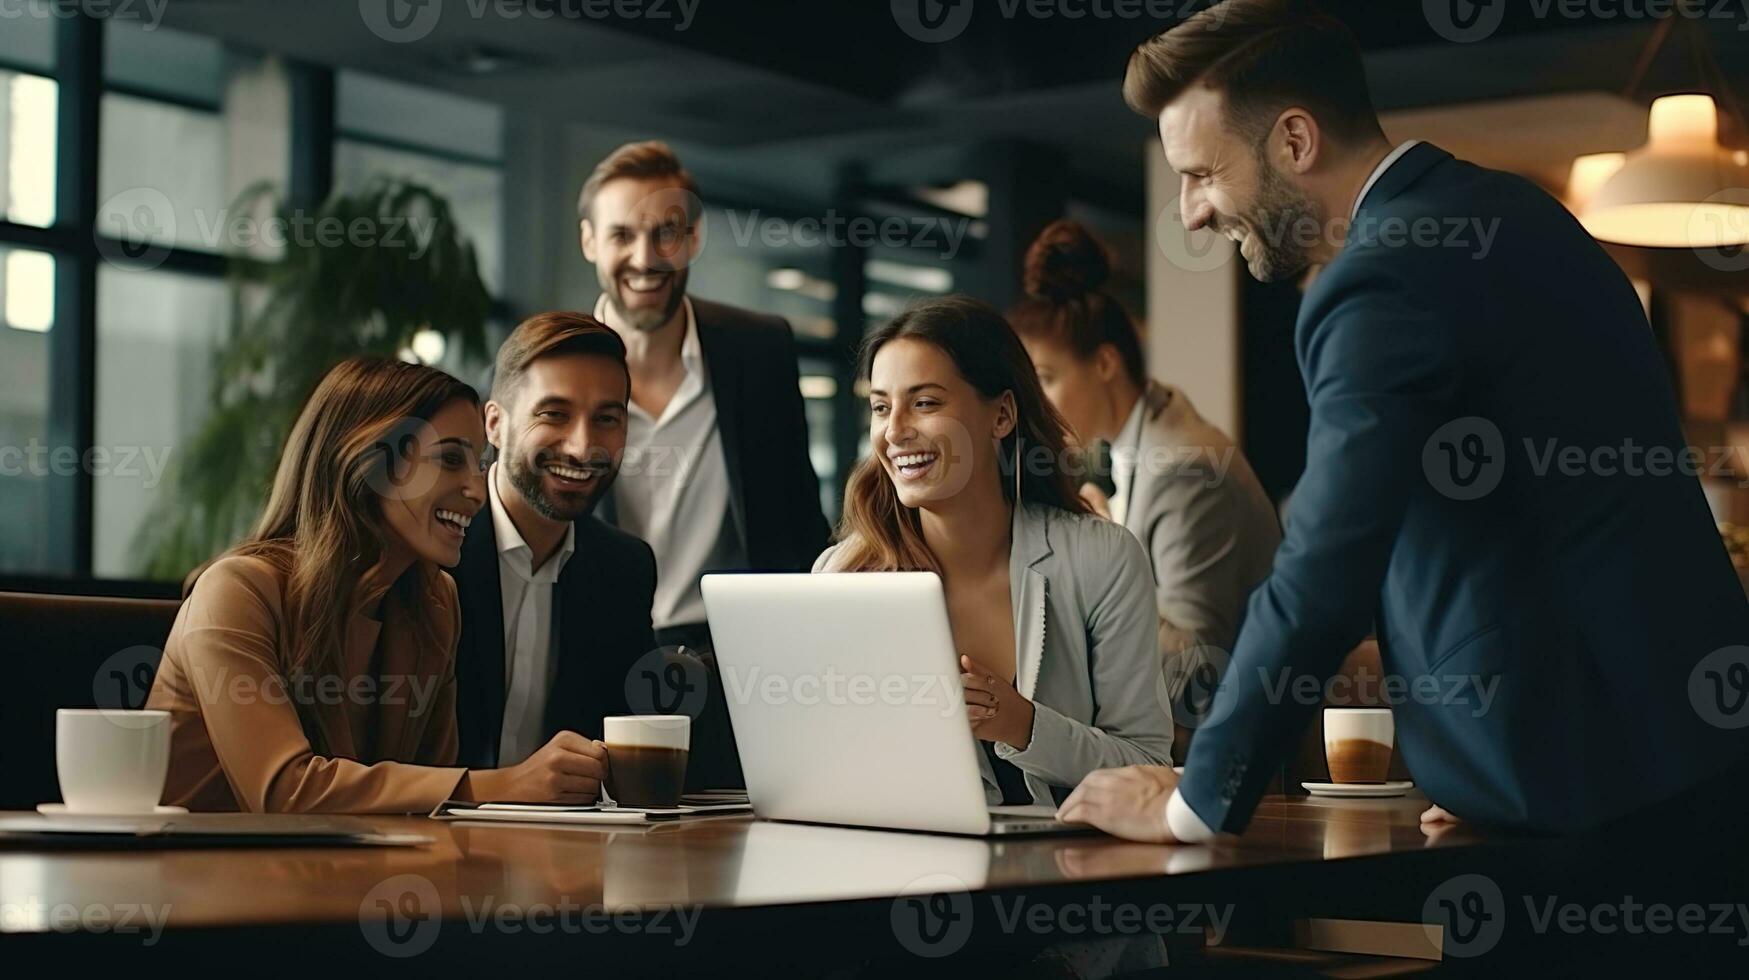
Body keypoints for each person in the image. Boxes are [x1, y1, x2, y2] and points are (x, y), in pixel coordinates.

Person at [1060, 0, 1749, 844]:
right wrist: (1478, 756)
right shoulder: (1514, 214)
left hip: (1591, 802)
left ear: (1295, 141)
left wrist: (1193, 802)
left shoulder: (1379, 278)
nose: (1193, 212)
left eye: (1202, 173)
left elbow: (1327, 559)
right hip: (1664, 760)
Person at [149, 357, 610, 812]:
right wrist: (505, 783)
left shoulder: (434, 603)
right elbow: (285, 793)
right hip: (197, 879)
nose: (476, 487)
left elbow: (432, 800)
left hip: (343, 880)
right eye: (450, 459)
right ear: (367, 462)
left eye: (478, 462)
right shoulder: (235, 592)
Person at [814, 295, 1174, 807]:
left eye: (925, 402)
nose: (893, 431)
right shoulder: (842, 575)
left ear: (1001, 414)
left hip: (1068, 873)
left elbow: (1147, 767)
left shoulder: (1103, 559)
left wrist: (1023, 725)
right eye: (880, 407)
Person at [579, 140, 830, 788]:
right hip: (599, 653)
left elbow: (799, 517)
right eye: (622, 235)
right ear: (589, 243)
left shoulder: (759, 349)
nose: (644, 258)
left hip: (740, 660)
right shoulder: (551, 370)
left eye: (666, 233)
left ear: (693, 238)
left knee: (745, 844)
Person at [1011, 219, 1280, 760]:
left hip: (1241, 753)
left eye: (1045, 377)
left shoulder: (1183, 469)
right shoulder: (1144, 439)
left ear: (1106, 363)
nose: (1035, 403)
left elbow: (1198, 677)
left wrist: (1106, 552)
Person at [449, 312, 658, 781]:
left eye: (607, 419)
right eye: (554, 414)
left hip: (568, 844)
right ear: (495, 425)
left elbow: (625, 740)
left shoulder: (625, 568)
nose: (584, 448)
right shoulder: (438, 547)